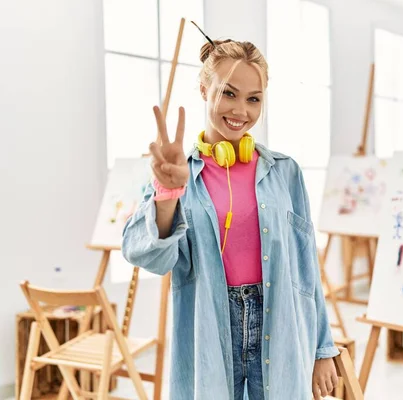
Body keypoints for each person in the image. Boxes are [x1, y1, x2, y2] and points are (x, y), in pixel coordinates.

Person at [121, 33, 340, 400]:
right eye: (228, 93)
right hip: (210, 320)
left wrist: (322, 348)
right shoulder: (176, 172)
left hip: (279, 319)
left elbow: (306, 271)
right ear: (204, 88)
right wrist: (168, 195)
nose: (241, 111)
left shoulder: (285, 172)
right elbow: (148, 256)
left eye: (253, 99)